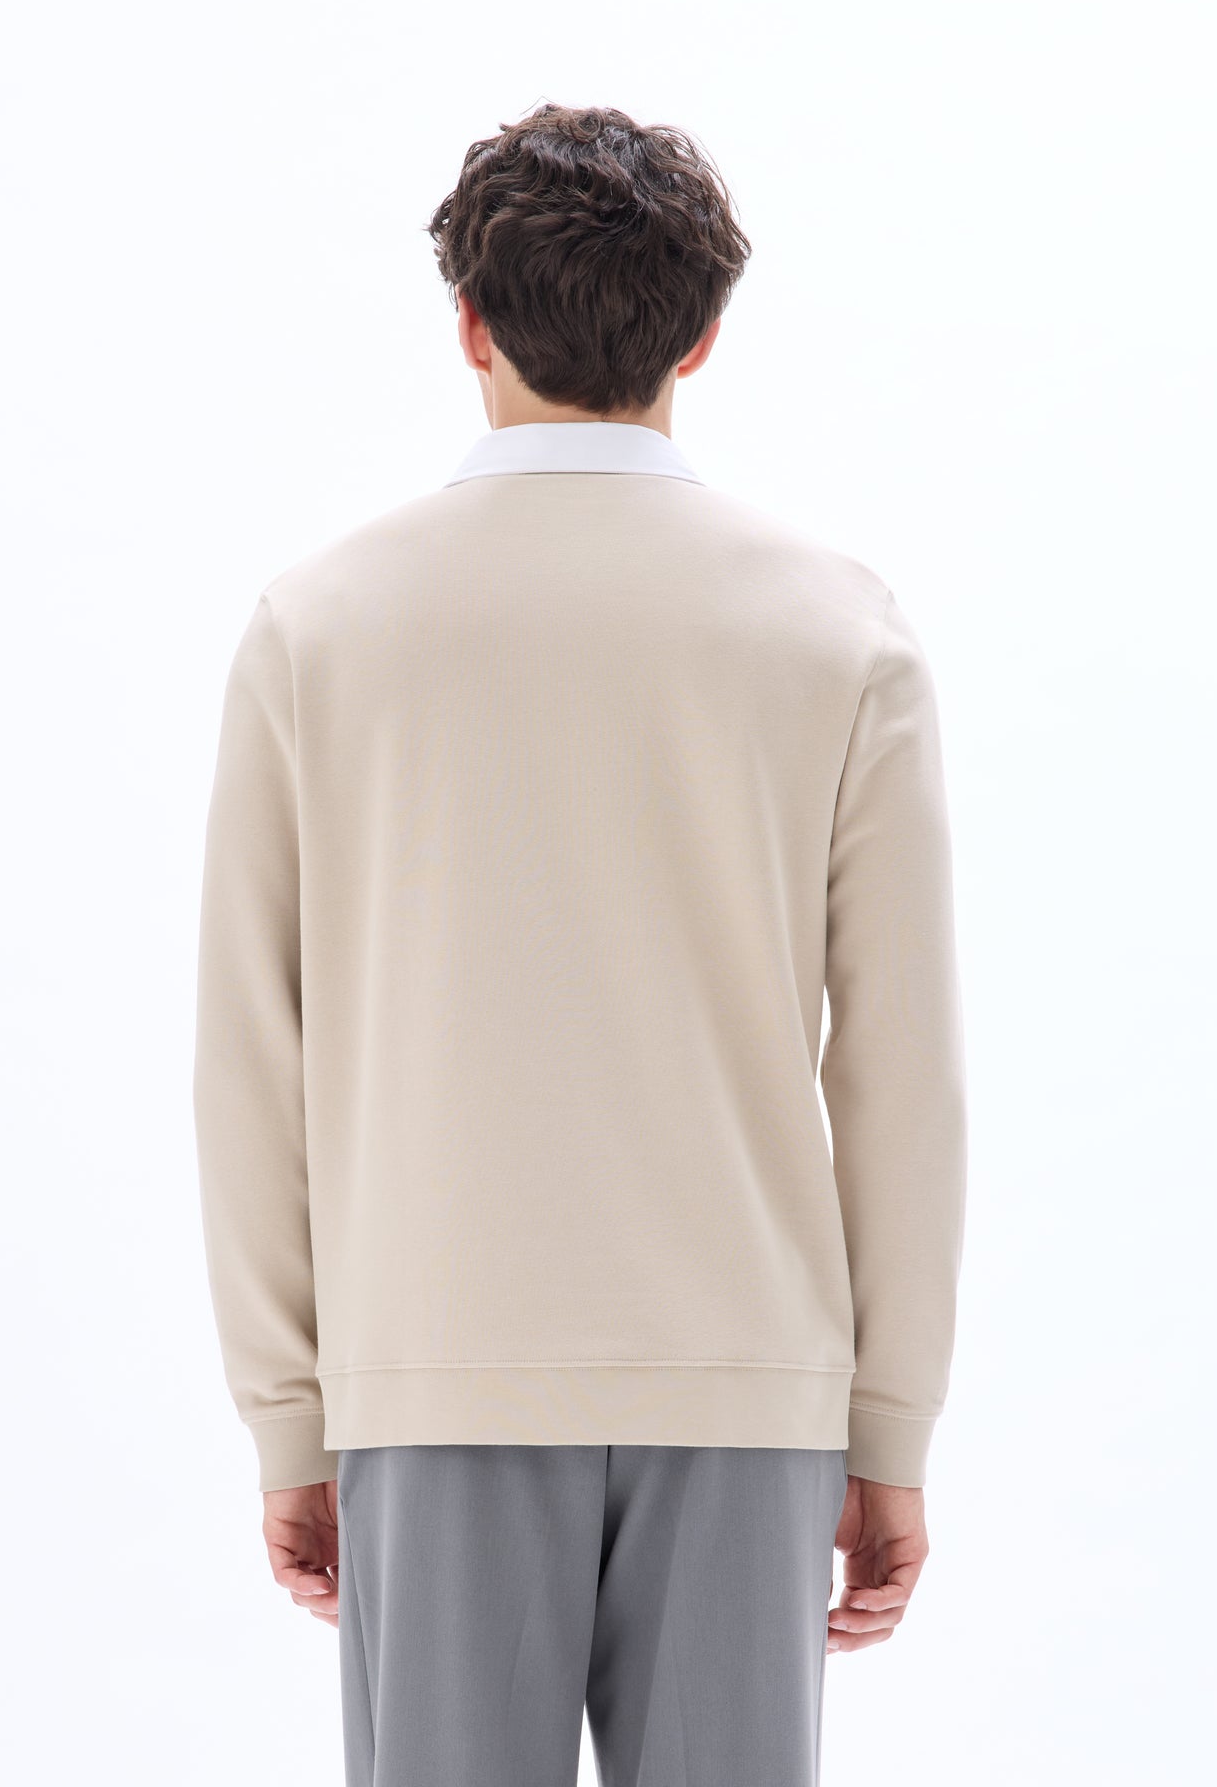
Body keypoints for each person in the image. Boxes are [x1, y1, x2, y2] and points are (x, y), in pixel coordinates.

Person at [193, 100, 967, 1787]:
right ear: (703, 335)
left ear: (469, 324)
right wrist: (889, 1424)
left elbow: (252, 1055)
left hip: (432, 1372)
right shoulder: (838, 631)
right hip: (748, 1382)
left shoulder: (321, 627)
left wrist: (290, 1411)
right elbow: (902, 1073)